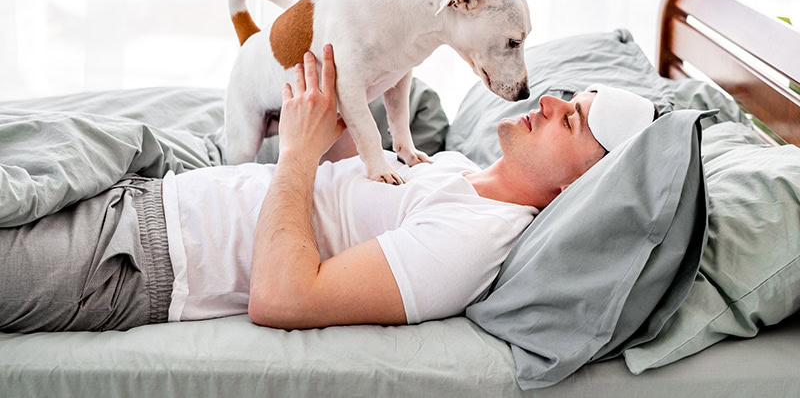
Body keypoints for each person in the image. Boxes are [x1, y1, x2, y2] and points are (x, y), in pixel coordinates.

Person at [0, 44, 658, 333]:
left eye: (571, 119)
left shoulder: (474, 240)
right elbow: (346, 182)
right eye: (568, 97)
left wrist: (297, 152)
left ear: (583, 183)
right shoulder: (455, 168)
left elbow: (285, 297)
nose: (547, 102)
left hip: (139, 257)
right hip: (154, 185)